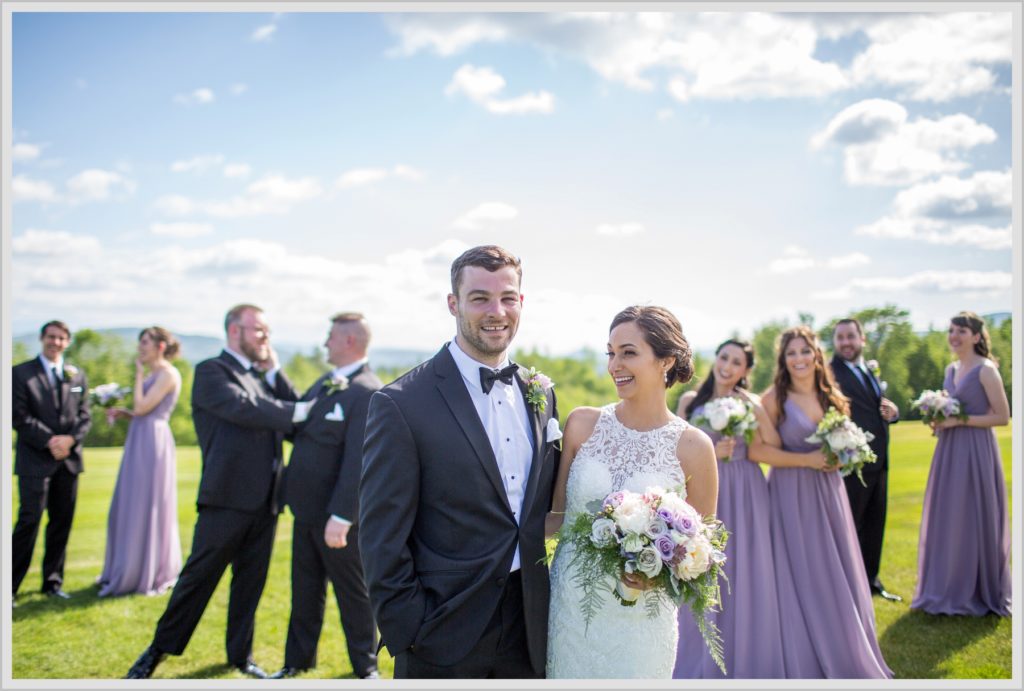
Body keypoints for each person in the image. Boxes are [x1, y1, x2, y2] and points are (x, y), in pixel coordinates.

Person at [359, 245, 560, 679]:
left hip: (529, 625)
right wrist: (409, 625)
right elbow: (380, 535)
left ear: (521, 303)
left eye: (508, 298)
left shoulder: (541, 393)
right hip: (441, 629)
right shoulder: (400, 404)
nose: (497, 311)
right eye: (480, 298)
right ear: (453, 303)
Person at [126, 304, 312, 679]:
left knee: (250, 584)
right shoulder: (211, 371)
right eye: (258, 330)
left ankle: (241, 656)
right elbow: (248, 409)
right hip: (226, 498)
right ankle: (156, 652)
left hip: (267, 501)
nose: (265, 337)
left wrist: (275, 371)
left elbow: (294, 418)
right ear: (234, 332)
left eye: (267, 331)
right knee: (198, 579)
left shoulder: (261, 376)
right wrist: (296, 411)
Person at [546, 305, 718, 679]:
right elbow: (552, 519)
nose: (613, 365)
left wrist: (657, 574)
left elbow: (701, 556)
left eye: (628, 352)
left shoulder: (694, 447)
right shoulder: (582, 424)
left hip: (641, 623)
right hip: (571, 611)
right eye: (610, 352)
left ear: (666, 360)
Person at [749, 325, 891, 678]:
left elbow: (845, 445)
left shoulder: (833, 397)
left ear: (816, 355)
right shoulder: (774, 399)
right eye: (791, 353)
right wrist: (807, 460)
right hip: (789, 494)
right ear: (783, 360)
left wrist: (842, 456)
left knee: (833, 567)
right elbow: (758, 451)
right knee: (798, 569)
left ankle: (841, 643)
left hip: (828, 494)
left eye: (804, 351)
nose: (798, 358)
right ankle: (801, 650)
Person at [271, 313, 381, 680]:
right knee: (303, 590)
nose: (324, 343)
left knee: (353, 594)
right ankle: (296, 662)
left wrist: (343, 516)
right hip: (306, 510)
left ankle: (365, 668)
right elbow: (299, 421)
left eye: (330, 337)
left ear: (349, 341)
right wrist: (273, 374)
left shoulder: (366, 390)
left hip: (337, 517)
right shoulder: (326, 382)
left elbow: (359, 460)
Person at [673, 339, 784, 679]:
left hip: (746, 491)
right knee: (700, 566)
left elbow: (774, 443)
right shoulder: (691, 401)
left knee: (743, 569)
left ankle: (742, 651)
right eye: (724, 357)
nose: (728, 366)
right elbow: (673, 449)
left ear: (746, 371)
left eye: (737, 362)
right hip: (705, 491)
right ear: (715, 359)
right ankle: (694, 654)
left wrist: (755, 408)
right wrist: (710, 456)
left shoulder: (748, 403)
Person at [911, 311, 1010, 616]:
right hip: (949, 451)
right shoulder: (950, 370)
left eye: (961, 331)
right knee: (950, 515)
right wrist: (940, 421)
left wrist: (959, 422)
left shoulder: (986, 370)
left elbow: (1002, 416)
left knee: (974, 514)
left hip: (977, 451)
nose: (954, 336)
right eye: (951, 330)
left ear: (977, 337)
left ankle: (978, 588)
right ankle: (946, 586)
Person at [98, 327, 183, 597]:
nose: (140, 348)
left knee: (147, 503)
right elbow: (138, 411)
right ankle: (124, 567)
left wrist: (137, 375)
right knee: (129, 503)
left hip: (153, 442)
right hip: (139, 437)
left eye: (145, 342)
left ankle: (148, 571)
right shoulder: (154, 374)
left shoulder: (168, 373)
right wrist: (125, 414)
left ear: (160, 346)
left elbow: (144, 406)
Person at [12, 320, 92, 603]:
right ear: (42, 338)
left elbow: (85, 416)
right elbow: (19, 416)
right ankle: (9, 586)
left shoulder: (77, 376)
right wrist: (51, 441)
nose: (55, 342)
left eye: (61, 338)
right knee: (29, 521)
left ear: (67, 342)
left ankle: (52, 583)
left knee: (61, 522)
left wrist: (69, 441)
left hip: (68, 462)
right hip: (35, 459)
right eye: (51, 337)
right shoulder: (21, 374)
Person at [830, 318, 901, 602]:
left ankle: (872, 581)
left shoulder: (867, 369)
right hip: (851, 463)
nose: (846, 342)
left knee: (875, 524)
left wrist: (892, 413)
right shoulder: (831, 373)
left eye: (850, 336)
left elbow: (875, 409)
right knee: (850, 527)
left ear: (862, 339)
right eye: (840, 338)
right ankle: (849, 587)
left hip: (880, 461)